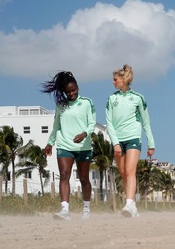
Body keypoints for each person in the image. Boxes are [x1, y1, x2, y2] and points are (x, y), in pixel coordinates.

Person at [41, 71, 95, 220]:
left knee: (84, 178)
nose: (71, 93)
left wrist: (85, 134)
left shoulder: (86, 102)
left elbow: (91, 123)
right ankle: (64, 209)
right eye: (68, 91)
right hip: (64, 145)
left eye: (73, 90)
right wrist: (50, 143)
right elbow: (56, 125)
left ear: (77, 87)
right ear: (64, 92)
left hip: (83, 147)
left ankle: (86, 209)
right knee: (64, 175)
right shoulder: (61, 105)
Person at [106, 64, 155, 218]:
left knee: (129, 171)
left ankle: (128, 203)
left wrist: (151, 143)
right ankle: (132, 204)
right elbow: (109, 123)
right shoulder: (111, 98)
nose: (113, 82)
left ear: (123, 80)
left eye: (115, 80)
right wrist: (115, 143)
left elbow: (146, 121)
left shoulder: (138, 98)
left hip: (133, 137)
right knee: (123, 173)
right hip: (118, 140)